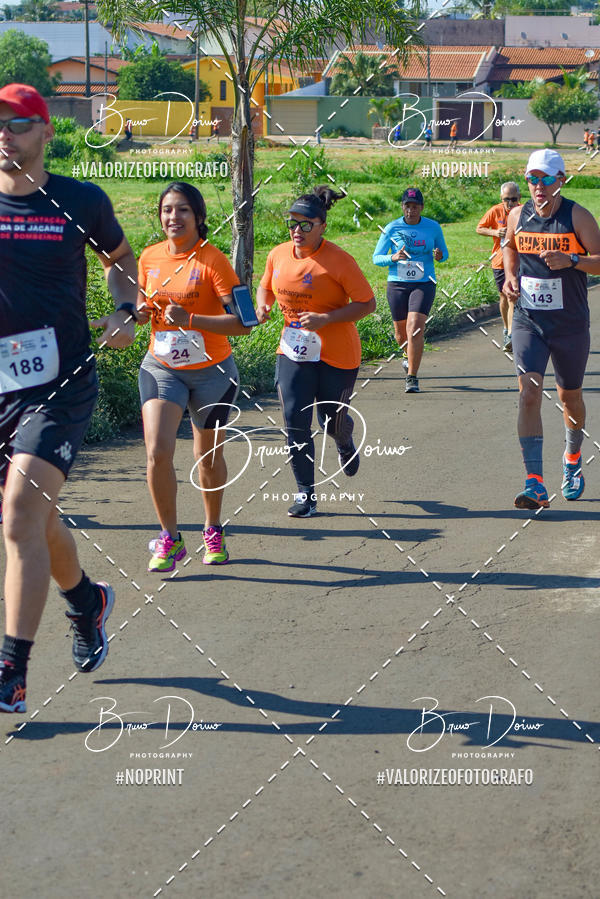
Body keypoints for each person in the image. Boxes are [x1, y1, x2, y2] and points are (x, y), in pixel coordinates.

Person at [0, 83, 137, 713]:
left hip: (60, 383)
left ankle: (12, 672)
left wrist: (124, 306)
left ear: (47, 131)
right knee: (34, 518)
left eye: (19, 124)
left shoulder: (78, 199)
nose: (6, 135)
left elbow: (119, 255)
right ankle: (86, 600)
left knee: (20, 513)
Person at [136, 182, 251, 570]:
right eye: (167, 210)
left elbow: (244, 323)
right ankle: (169, 538)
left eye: (182, 210)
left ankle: (212, 528)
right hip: (162, 367)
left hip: (212, 373)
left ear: (198, 217)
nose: (173, 217)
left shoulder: (214, 261)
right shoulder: (150, 257)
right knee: (157, 451)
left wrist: (192, 320)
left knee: (208, 456)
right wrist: (134, 313)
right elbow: (142, 303)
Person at [256, 186, 376, 518]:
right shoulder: (278, 254)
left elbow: (367, 303)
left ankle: (343, 439)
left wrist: (326, 318)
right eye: (292, 223)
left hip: (337, 353)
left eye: (305, 224)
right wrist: (262, 306)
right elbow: (265, 284)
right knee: (295, 420)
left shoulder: (339, 261)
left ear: (322, 226)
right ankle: (305, 494)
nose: (297, 230)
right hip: (293, 350)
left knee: (330, 422)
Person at [503, 148, 600, 510]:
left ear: (561, 180)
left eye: (545, 178)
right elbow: (509, 246)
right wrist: (510, 276)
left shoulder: (578, 216)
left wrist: (572, 260)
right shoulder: (518, 214)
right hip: (529, 319)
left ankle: (572, 459)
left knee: (568, 397)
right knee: (528, 391)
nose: (538, 186)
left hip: (570, 325)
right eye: (532, 178)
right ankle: (535, 483)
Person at [372, 187, 448, 393]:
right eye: (407, 206)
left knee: (415, 328)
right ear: (402, 206)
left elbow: (444, 254)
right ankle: (407, 354)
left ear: (421, 208)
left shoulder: (433, 227)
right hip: (397, 283)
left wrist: (439, 255)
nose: (411, 210)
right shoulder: (391, 228)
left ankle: (412, 377)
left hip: (424, 282)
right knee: (400, 334)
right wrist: (393, 257)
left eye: (415, 207)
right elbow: (376, 258)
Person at [476, 182, 522, 352]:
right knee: (504, 297)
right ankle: (507, 329)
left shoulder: (524, 211)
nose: (510, 203)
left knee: (514, 297)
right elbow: (479, 228)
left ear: (520, 198)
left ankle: (513, 334)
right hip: (499, 261)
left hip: (520, 260)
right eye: (506, 200)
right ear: (501, 199)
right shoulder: (495, 211)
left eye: (513, 199)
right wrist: (495, 232)